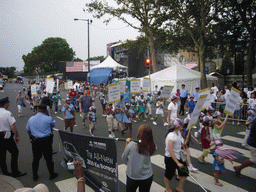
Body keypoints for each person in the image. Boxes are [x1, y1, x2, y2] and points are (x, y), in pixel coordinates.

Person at [26, 104, 58, 181]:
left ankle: (35, 175)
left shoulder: (31, 119)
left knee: (36, 159)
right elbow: (53, 124)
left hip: (35, 140)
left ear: (37, 110)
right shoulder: (48, 118)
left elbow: (28, 130)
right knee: (48, 158)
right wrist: (48, 114)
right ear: (45, 110)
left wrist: (31, 137)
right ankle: (51, 174)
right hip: (46, 141)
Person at [122, 124, 156, 192]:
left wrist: (127, 144)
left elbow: (124, 157)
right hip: (147, 176)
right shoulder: (152, 145)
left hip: (133, 176)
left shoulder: (131, 145)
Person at [0, 97, 26, 177]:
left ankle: (5, 171)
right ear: (5, 104)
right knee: (14, 152)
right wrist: (17, 135)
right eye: (8, 103)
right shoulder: (7, 113)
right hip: (6, 137)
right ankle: (15, 171)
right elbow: (13, 126)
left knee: (2, 154)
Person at [164, 118, 188, 192]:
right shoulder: (171, 136)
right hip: (170, 158)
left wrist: (183, 145)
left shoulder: (178, 133)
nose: (182, 126)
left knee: (185, 173)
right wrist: (177, 162)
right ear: (179, 126)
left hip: (178, 156)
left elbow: (178, 144)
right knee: (168, 175)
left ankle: (179, 188)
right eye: (181, 124)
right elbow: (170, 150)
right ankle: (167, 189)